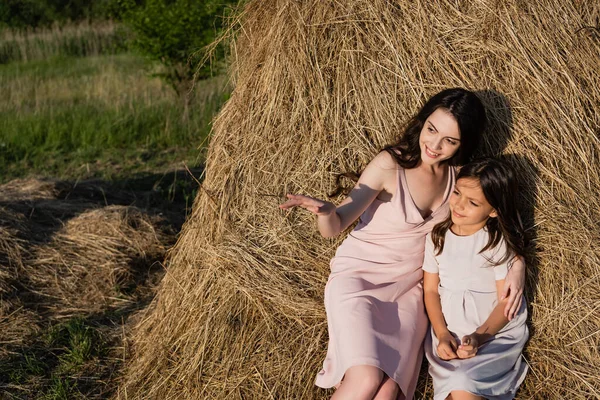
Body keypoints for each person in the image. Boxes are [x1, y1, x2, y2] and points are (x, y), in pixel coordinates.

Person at [279, 88, 525, 400]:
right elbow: (337, 225)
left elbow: (498, 223)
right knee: (366, 379)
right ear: (422, 122)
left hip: (412, 292)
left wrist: (518, 265)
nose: (435, 145)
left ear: (464, 144)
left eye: (450, 140)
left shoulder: (459, 179)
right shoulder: (389, 165)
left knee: (387, 392)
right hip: (361, 278)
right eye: (431, 129)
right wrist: (327, 211)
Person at [423, 158, 529, 400]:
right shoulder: (437, 238)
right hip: (449, 333)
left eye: (472, 203)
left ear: (493, 210)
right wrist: (441, 334)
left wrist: (480, 337)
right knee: (457, 388)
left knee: (464, 382)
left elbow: (505, 303)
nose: (459, 205)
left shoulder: (495, 243)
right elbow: (430, 291)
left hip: (493, 333)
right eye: (457, 193)